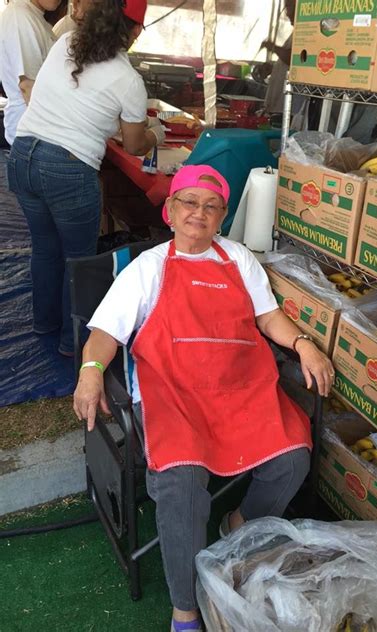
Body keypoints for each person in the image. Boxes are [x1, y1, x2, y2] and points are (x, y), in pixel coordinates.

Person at [73, 164, 335, 632]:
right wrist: (91, 372)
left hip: (241, 388)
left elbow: (269, 317)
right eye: (190, 203)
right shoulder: (147, 268)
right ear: (170, 210)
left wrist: (303, 344)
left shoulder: (238, 259)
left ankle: (238, 522)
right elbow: (104, 335)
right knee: (182, 483)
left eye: (212, 206)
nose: (200, 213)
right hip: (173, 394)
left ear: (222, 217)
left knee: (293, 457)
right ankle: (185, 609)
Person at [7, 0, 165, 357]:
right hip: (66, 167)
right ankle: (71, 344)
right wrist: (156, 133)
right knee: (77, 258)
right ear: (135, 31)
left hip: (22, 156)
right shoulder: (128, 80)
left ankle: (44, 325)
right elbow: (136, 143)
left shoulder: (66, 44)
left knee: (45, 248)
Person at [0, 0, 59, 146]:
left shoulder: (34, 16)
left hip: (38, 134)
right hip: (32, 137)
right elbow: (27, 87)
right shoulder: (20, 17)